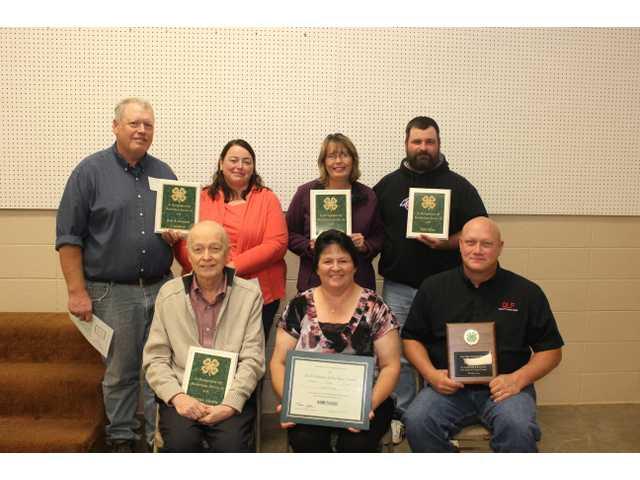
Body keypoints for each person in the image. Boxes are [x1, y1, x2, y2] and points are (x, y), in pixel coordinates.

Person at [55, 98, 176, 452]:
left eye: (148, 125)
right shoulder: (89, 172)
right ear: (116, 126)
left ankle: (159, 437)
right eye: (134, 123)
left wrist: (176, 235)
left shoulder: (164, 174)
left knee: (162, 368)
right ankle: (121, 438)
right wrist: (77, 291)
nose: (142, 131)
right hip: (112, 292)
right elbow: (68, 237)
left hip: (161, 287)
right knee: (122, 371)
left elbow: (177, 228)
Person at [402, 217, 563, 452]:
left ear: (500, 247)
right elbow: (411, 338)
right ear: (460, 245)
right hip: (448, 388)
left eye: (486, 244)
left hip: (505, 390)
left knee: (518, 427)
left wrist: (517, 380)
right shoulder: (433, 288)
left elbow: (551, 351)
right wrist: (431, 375)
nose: (477, 250)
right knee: (417, 422)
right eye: (470, 242)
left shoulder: (527, 292)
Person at [373, 116, 487, 442]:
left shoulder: (460, 186)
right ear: (406, 143)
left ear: (438, 144)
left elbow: (479, 231)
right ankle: (405, 414)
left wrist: (447, 242)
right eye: (417, 141)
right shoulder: (388, 186)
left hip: (448, 288)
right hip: (399, 287)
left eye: (430, 142)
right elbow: (373, 229)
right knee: (399, 355)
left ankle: (444, 417)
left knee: (446, 351)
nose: (423, 148)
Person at [270, 229, 401, 452]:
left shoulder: (375, 307)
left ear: (355, 265)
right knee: (305, 439)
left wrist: (368, 404)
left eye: (343, 260)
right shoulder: (299, 305)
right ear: (317, 267)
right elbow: (278, 362)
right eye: (328, 261)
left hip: (367, 398)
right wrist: (291, 400)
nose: (336, 267)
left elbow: (390, 365)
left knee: (356, 444)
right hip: (310, 400)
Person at [143, 221, 265, 452]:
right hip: (182, 396)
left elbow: (253, 359)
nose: (206, 257)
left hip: (230, 397)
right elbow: (155, 359)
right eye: (198, 249)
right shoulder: (169, 295)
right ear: (188, 254)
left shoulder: (249, 296)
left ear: (228, 253)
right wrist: (177, 397)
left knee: (232, 447)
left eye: (215, 248)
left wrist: (231, 403)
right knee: (181, 444)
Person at [166, 139, 287, 339]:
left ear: (253, 167)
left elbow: (277, 244)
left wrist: (228, 268)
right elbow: (184, 244)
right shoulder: (201, 198)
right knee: (208, 352)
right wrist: (208, 272)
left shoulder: (268, 198)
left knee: (250, 354)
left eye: (247, 161)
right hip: (205, 291)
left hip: (259, 292)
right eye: (233, 160)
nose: (240, 166)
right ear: (221, 163)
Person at [286, 133, 384, 292]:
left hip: (358, 282)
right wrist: (309, 246)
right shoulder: (305, 193)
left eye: (344, 155)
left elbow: (379, 236)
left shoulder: (368, 196)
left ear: (353, 160)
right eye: (332, 156)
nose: (338, 161)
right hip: (314, 281)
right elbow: (288, 233)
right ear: (323, 162)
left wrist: (365, 245)